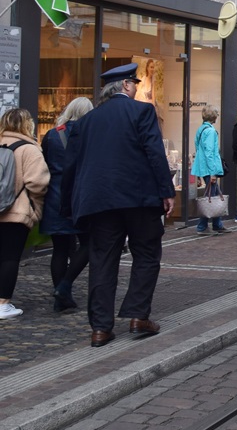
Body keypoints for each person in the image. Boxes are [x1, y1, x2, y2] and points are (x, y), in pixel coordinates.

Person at [61, 63, 175, 347]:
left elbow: (70, 166)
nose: (136, 88)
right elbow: (154, 152)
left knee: (102, 260)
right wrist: (166, 191)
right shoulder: (142, 111)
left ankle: (100, 328)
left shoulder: (85, 121)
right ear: (125, 85)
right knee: (146, 254)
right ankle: (138, 316)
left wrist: (68, 206)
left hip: (100, 201)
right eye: (134, 83)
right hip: (139, 198)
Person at [40, 97, 94, 312]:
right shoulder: (90, 135)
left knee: (60, 248)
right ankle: (65, 285)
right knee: (89, 243)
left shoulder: (52, 135)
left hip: (55, 196)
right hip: (80, 196)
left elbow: (44, 163)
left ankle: (60, 298)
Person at [0, 109, 51, 320]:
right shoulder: (29, 149)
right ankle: (3, 304)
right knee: (10, 258)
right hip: (17, 212)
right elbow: (38, 183)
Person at [191, 106, 227, 235]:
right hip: (209, 168)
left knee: (214, 195)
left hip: (202, 166)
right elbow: (210, 152)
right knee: (210, 197)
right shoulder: (211, 131)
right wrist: (213, 172)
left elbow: (198, 147)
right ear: (214, 116)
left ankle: (217, 224)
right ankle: (202, 227)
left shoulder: (201, 129)